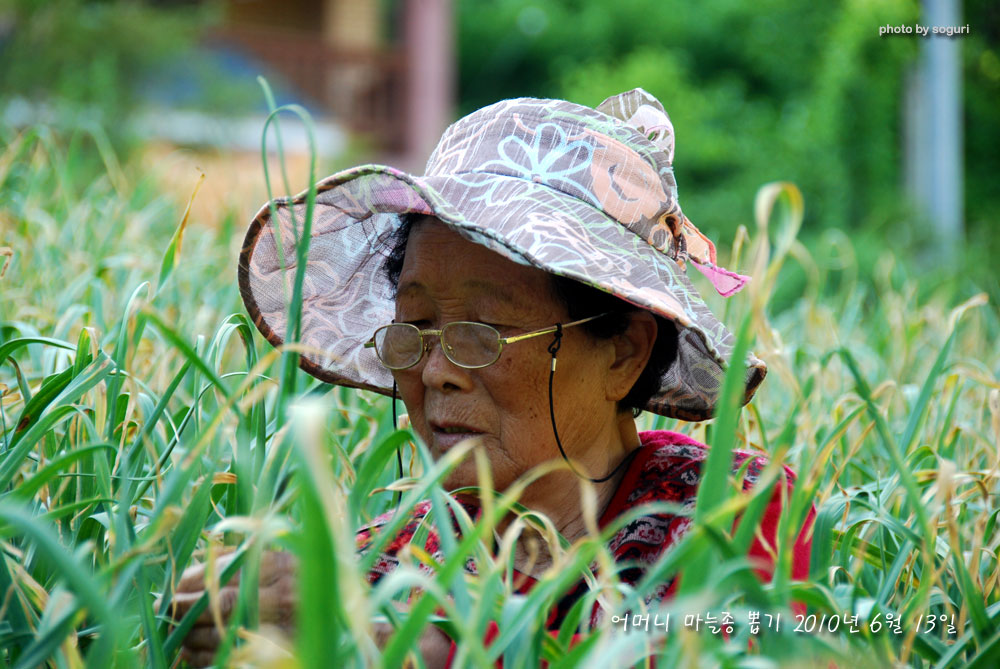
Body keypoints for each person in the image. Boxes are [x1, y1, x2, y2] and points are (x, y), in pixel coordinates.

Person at [172, 88, 814, 666]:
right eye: (415, 326)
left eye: (483, 333)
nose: (436, 371)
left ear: (622, 351)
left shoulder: (732, 511)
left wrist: (427, 650)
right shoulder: (384, 565)